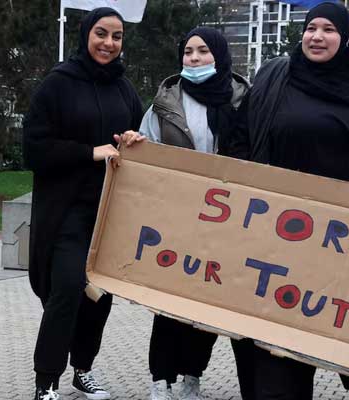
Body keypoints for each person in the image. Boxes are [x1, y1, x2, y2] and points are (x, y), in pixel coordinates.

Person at [227, 2, 349, 399]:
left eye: (328, 29)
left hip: (338, 244)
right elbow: (240, 139)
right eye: (310, 28)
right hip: (273, 234)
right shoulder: (276, 78)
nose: (317, 36)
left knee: (320, 336)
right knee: (274, 350)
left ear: (346, 39)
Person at [22, 7, 144, 400]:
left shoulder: (125, 89)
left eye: (117, 37)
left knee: (100, 296)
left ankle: (83, 369)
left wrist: (132, 140)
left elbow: (139, 139)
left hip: (110, 213)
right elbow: (33, 150)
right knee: (68, 289)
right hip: (66, 211)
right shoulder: (58, 84)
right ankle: (46, 381)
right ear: (86, 35)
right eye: (101, 34)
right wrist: (87, 152)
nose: (109, 44)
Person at [122, 26, 250, 400]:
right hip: (177, 220)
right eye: (188, 52)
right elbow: (146, 152)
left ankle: (193, 375)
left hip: (226, 225)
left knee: (208, 307)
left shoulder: (244, 101)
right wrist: (135, 144)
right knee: (170, 305)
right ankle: (161, 379)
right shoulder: (164, 105)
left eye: (203, 52)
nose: (194, 59)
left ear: (220, 56)